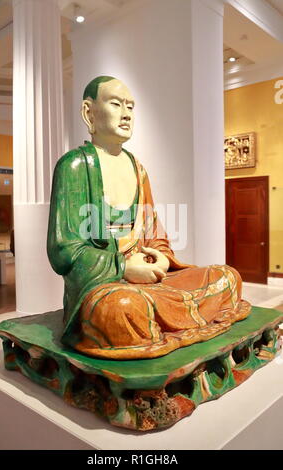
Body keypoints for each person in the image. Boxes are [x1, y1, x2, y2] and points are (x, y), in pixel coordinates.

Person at [47, 76, 251, 360]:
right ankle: (153, 324)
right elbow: (64, 250)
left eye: (130, 106)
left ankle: (161, 325)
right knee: (121, 309)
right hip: (105, 285)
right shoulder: (75, 166)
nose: (126, 113)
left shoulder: (137, 168)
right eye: (116, 104)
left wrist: (163, 258)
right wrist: (123, 267)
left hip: (149, 279)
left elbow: (154, 233)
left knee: (226, 277)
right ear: (88, 111)